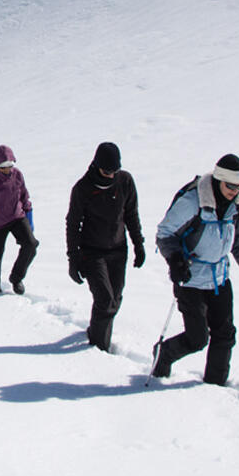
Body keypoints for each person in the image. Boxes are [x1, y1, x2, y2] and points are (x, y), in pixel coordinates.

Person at [152, 154, 239, 386]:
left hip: (219, 279)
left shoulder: (238, 208)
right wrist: (175, 260)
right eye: (230, 186)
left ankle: (215, 387)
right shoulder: (193, 201)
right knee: (197, 339)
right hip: (191, 279)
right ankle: (163, 354)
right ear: (218, 180)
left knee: (225, 335)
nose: (234, 191)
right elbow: (165, 234)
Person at [65, 142, 145, 352]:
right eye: (106, 170)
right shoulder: (83, 188)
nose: (110, 175)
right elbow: (73, 224)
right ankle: (98, 349)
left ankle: (96, 332)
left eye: (114, 170)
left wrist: (139, 244)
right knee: (105, 299)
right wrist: (73, 259)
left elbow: (131, 214)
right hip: (92, 251)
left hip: (118, 249)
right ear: (96, 165)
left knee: (115, 299)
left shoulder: (125, 181)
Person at [0, 144, 37, 294]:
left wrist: (29, 214)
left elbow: (24, 195)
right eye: (3, 167)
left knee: (31, 245)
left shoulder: (17, 175)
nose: (7, 169)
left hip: (16, 217)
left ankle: (16, 278)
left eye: (9, 165)